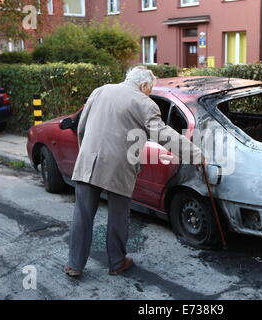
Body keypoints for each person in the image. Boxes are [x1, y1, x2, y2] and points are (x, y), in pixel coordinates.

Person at [64, 66, 203, 277]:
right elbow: (163, 135)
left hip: (89, 161)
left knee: (82, 215)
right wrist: (195, 154)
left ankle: (75, 265)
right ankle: (117, 263)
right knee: (118, 217)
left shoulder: (101, 90)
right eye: (150, 89)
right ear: (144, 85)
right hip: (119, 166)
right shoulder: (144, 103)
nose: (149, 92)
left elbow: (82, 126)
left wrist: (85, 153)